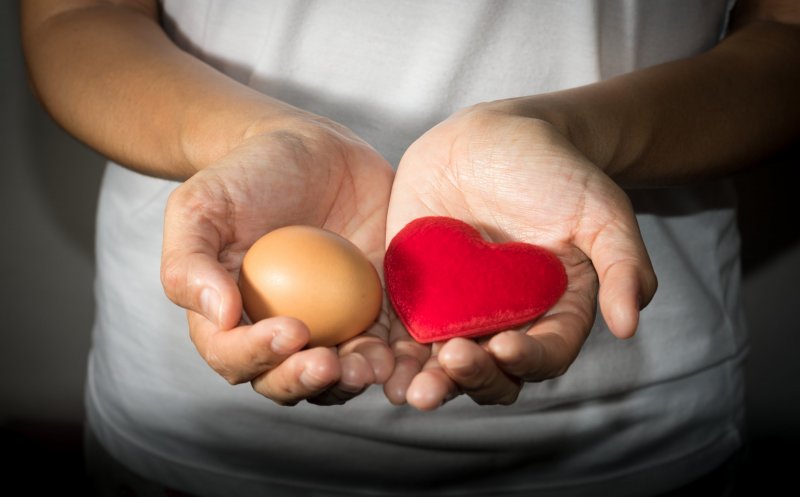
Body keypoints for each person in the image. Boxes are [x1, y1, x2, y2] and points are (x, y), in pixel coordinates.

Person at [21, 0, 800, 495]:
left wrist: (575, 133)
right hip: (195, 422)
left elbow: (784, 39)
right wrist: (256, 137)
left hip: (634, 428)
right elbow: (73, 15)